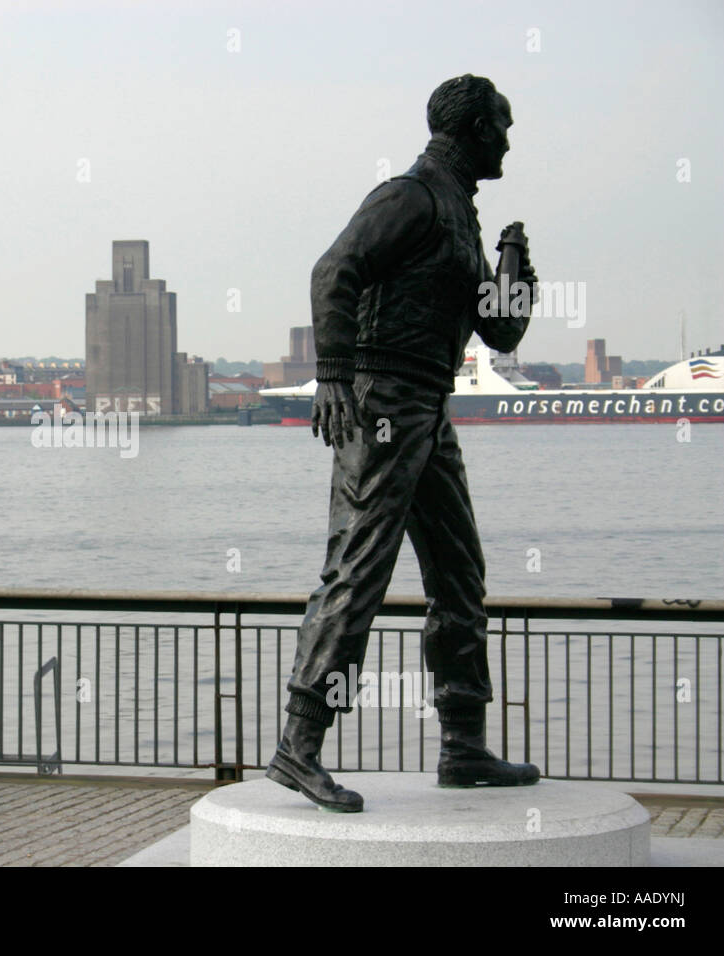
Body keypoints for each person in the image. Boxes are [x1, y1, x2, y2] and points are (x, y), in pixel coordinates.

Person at [266, 75, 541, 812]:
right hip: (383, 401)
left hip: (429, 406)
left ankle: (463, 746)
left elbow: (501, 332)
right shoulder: (411, 197)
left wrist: (513, 271)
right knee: (358, 571)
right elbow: (334, 270)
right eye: (503, 126)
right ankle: (299, 745)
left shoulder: (459, 217)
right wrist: (332, 376)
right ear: (475, 128)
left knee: (460, 576)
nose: (510, 140)